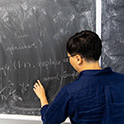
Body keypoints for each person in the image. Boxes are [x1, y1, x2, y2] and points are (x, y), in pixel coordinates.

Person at [33, 30, 124, 124]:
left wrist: (43, 98)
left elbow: (49, 120)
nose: (69, 60)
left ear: (78, 59)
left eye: (69, 57)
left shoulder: (70, 92)